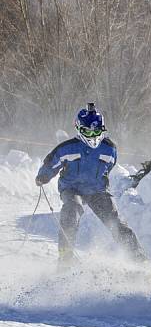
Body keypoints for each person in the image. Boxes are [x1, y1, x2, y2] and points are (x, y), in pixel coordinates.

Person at [35, 104, 145, 268]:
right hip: (72, 189)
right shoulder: (66, 148)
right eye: (88, 132)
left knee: (116, 223)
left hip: (97, 190)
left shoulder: (110, 149)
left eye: (96, 131)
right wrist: (43, 176)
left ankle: (139, 261)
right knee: (71, 210)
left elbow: (110, 166)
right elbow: (51, 163)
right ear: (79, 129)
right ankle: (65, 259)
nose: (93, 136)